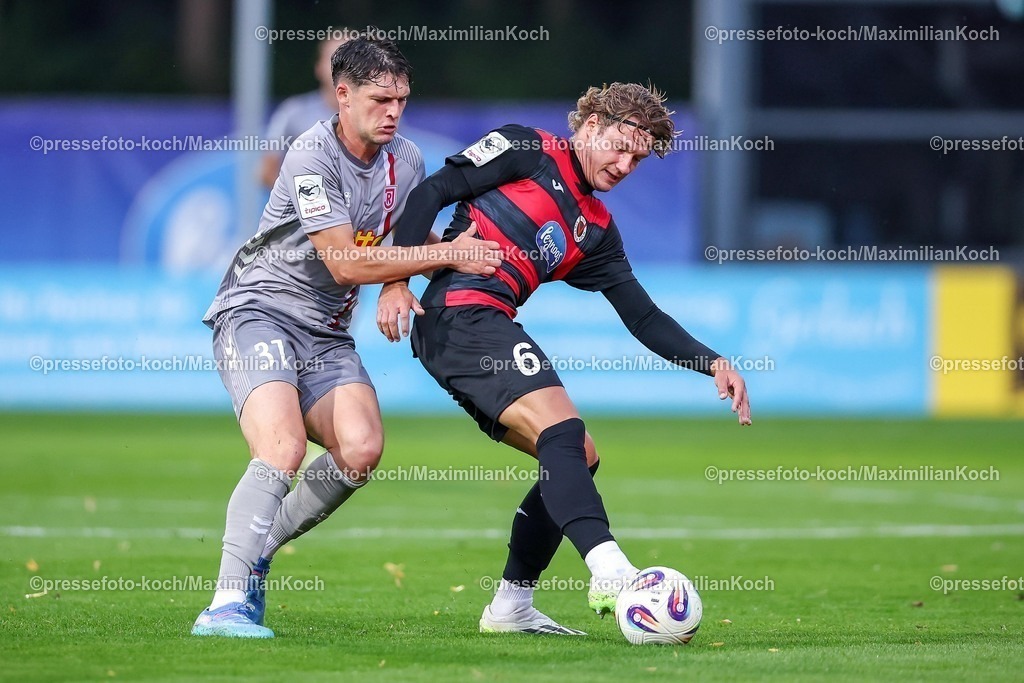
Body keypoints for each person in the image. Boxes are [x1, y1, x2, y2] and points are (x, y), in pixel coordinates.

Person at [376, 82, 752, 635]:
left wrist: (712, 362)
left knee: (578, 451)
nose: (625, 165)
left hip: (483, 325)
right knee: (563, 429)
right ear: (592, 124)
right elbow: (430, 192)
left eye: (638, 159)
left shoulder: (596, 228)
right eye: (619, 147)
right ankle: (610, 568)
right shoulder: (525, 148)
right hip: (459, 314)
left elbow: (643, 317)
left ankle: (511, 606)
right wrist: (394, 279)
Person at [191, 34, 502, 639]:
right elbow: (343, 264)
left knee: (360, 451)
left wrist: (415, 274)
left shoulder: (406, 161)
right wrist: (443, 256)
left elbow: (398, 245)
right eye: (380, 99)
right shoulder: (311, 156)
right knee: (281, 449)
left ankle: (255, 550)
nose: (393, 112)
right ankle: (224, 604)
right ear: (342, 95)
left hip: (329, 333)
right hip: (261, 311)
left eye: (402, 101)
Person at [259, 32, 352, 189]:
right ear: (318, 68)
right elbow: (267, 172)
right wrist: (308, 198)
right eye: (334, 60)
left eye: (350, 61)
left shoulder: (378, 113)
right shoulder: (293, 113)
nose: (342, 69)